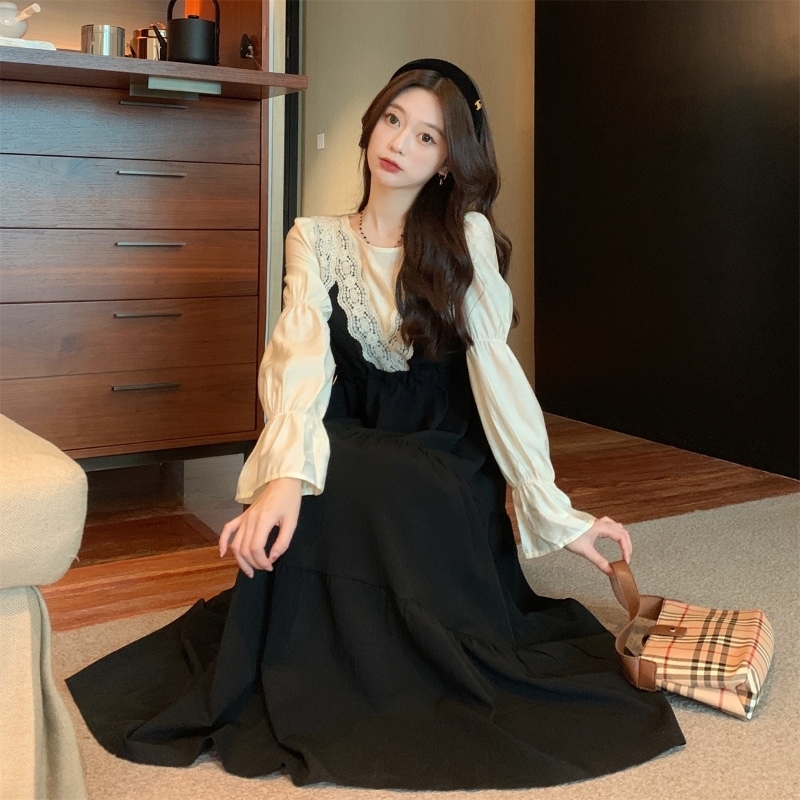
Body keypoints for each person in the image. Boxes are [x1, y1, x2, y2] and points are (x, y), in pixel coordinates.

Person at [68, 59, 684, 790]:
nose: (399, 143)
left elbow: (497, 380)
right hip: (354, 429)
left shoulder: (465, 236)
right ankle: (320, 666)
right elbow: (300, 360)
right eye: (393, 120)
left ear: (448, 162)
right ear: (371, 126)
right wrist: (281, 477)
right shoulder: (315, 237)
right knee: (325, 472)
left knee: (373, 477)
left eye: (427, 136)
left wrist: (553, 510)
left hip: (447, 447)